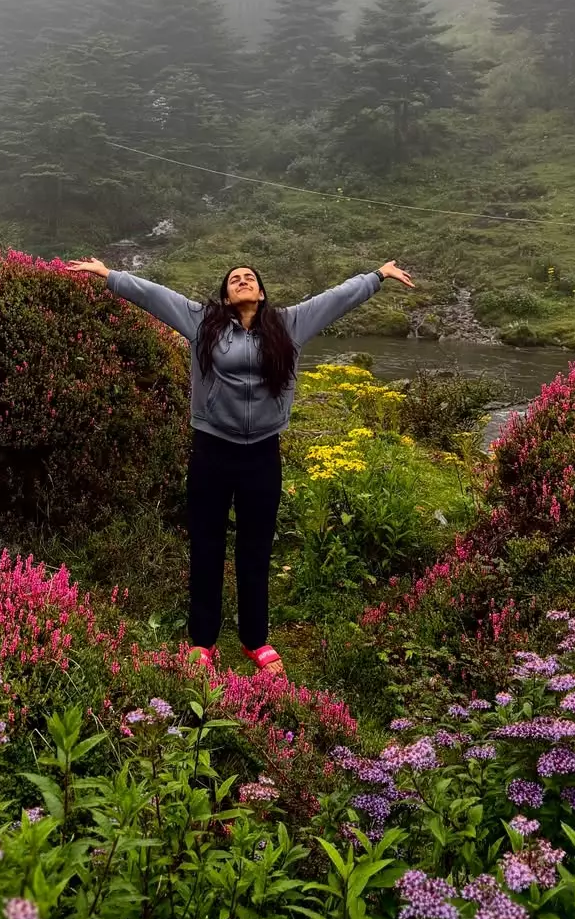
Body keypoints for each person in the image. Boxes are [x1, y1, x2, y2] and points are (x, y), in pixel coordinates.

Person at [67, 257, 415, 675]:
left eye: (249, 277)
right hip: (212, 450)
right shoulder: (203, 322)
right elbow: (155, 297)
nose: (243, 281)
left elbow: (335, 300)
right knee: (207, 546)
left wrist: (376, 276)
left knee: (255, 549)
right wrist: (110, 275)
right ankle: (202, 641)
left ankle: (255, 639)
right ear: (226, 295)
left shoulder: (288, 325)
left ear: (261, 292)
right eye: (234, 280)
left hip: (262, 454)